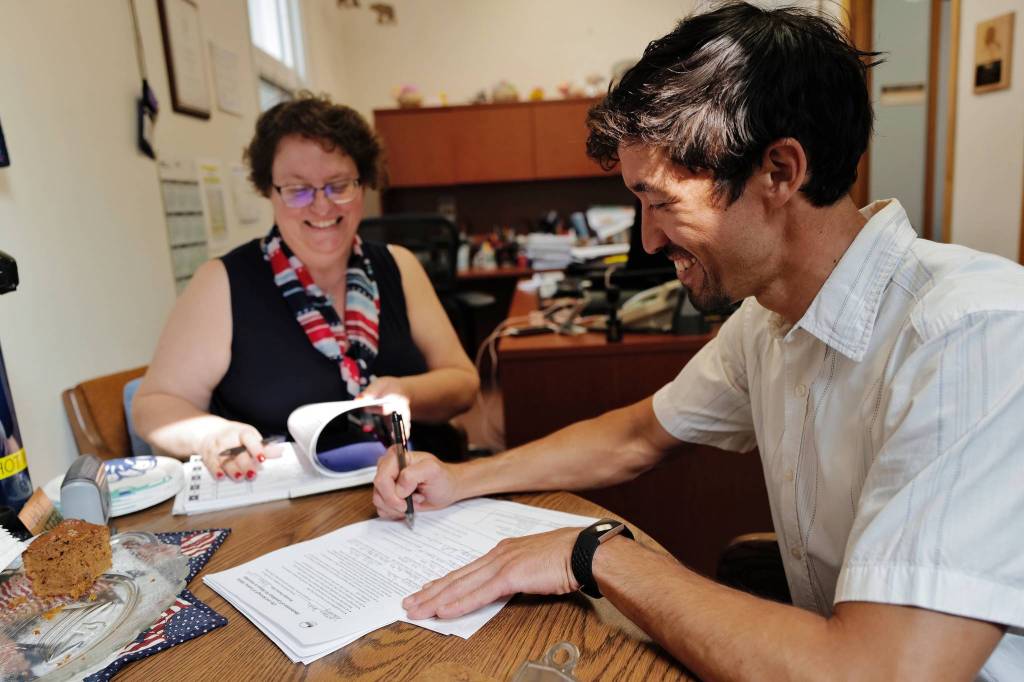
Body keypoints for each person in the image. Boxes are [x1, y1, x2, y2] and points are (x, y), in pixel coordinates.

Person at [373, 3, 1024, 679]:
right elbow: (634, 437)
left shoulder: (970, 337)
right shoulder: (768, 322)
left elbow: (876, 671)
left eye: (660, 203)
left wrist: (595, 553)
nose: (649, 240)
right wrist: (458, 478)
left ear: (778, 171)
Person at [134, 93, 479, 482]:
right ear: (270, 190)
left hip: (423, 491)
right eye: (298, 189)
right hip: (294, 516)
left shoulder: (400, 267)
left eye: (338, 185)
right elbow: (154, 405)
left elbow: (464, 383)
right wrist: (211, 433)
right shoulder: (222, 283)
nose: (321, 206)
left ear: (363, 184)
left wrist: (407, 392)